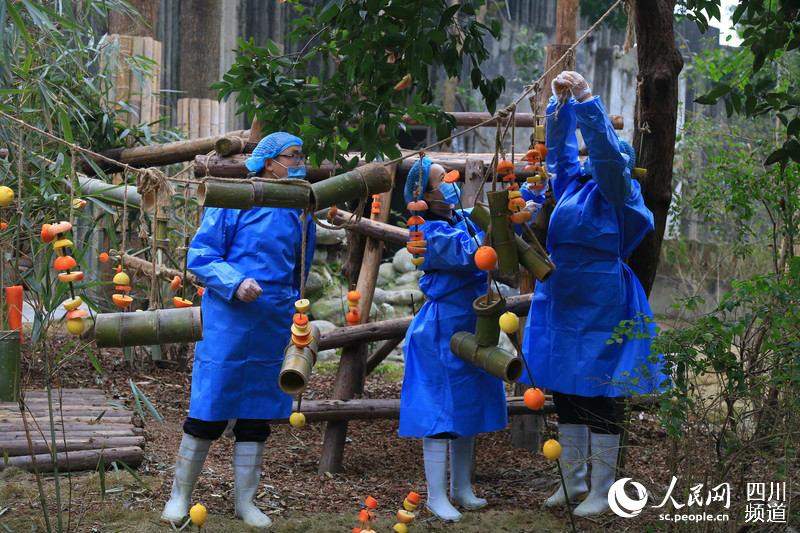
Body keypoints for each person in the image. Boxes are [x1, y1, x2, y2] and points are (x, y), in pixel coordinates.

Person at [520, 71, 668, 517]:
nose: (591, 166)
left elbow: (604, 157)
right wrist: (559, 106)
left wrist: (588, 101)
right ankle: (572, 480)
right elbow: (562, 156)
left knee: (601, 390)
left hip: (604, 295)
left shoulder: (622, 194)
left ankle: (603, 487)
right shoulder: (572, 187)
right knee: (565, 387)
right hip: (563, 292)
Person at [161, 132, 315, 528]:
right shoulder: (234, 198)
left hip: (274, 319)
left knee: (257, 414)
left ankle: (246, 502)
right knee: (209, 408)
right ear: (268, 161)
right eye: (292, 156)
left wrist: (297, 310)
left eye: (301, 156)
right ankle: (179, 496)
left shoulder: (300, 206)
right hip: (230, 317)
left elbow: (302, 265)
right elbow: (201, 255)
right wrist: (234, 281)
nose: (300, 162)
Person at [398, 156, 508, 522]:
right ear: (424, 195)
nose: (450, 182)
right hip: (441, 329)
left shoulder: (457, 218)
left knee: (466, 406)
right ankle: (436, 494)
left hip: (471, 322)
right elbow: (472, 254)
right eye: (441, 179)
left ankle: (462, 486)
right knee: (439, 411)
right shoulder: (426, 232)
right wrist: (496, 230)